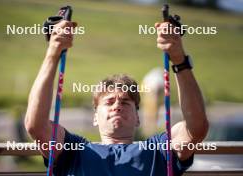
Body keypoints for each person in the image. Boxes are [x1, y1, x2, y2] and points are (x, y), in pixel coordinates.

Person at [25, 20, 209, 176]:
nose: (117, 106)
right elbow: (36, 126)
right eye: (109, 101)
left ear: (138, 117)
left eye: (125, 102)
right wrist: (52, 53)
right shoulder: (75, 151)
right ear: (95, 116)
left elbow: (196, 128)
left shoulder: (158, 151)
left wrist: (179, 60)